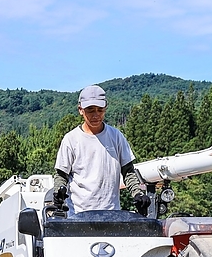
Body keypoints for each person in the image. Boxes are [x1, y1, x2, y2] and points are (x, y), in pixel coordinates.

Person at [53, 84, 150, 215]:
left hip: (111, 214)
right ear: (80, 110)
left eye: (100, 110)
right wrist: (58, 191)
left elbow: (128, 172)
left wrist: (137, 193)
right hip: (79, 216)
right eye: (91, 110)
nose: (96, 115)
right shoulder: (71, 139)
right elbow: (61, 175)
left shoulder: (116, 136)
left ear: (106, 108)